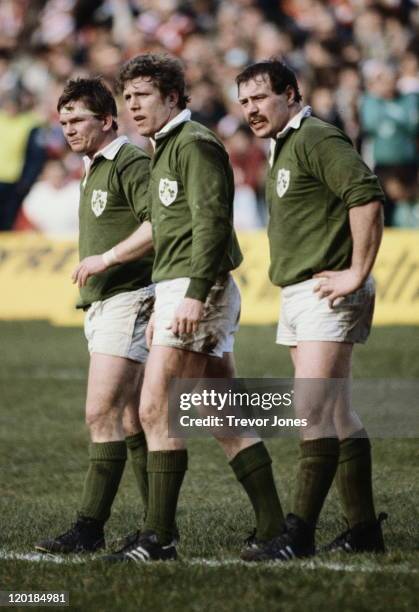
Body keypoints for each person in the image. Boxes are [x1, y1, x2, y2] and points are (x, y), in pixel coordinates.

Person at [73, 54, 285, 563]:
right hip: (179, 287)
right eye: (128, 98)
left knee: (154, 409)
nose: (133, 106)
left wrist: (193, 294)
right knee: (220, 412)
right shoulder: (165, 148)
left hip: (197, 287)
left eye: (142, 96)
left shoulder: (194, 144)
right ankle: (276, 527)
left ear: (172, 97)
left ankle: (158, 539)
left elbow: (213, 223)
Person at [236, 59, 386, 560]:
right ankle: (364, 529)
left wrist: (356, 273)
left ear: (291, 94)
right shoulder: (283, 144)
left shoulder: (317, 137)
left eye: (259, 98)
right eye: (244, 102)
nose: (250, 110)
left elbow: (365, 197)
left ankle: (296, 536)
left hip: (327, 290)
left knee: (311, 410)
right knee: (337, 411)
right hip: (300, 293)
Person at [35, 77, 154, 554]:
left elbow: (158, 223)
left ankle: (89, 528)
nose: (68, 129)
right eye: (63, 122)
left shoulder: (129, 161)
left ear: (107, 120)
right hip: (105, 302)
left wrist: (107, 260)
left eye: (77, 120)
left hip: (129, 297)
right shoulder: (92, 166)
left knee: (100, 411)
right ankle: (155, 527)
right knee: (131, 417)